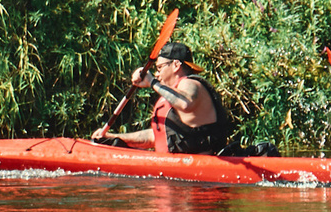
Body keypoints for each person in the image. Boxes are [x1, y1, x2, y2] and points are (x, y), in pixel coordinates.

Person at [97, 43, 239, 155]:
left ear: (176, 65)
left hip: (198, 173)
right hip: (173, 173)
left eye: (160, 68)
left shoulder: (190, 84)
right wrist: (113, 137)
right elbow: (156, 136)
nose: (157, 74)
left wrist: (152, 82)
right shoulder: (171, 94)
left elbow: (185, 103)